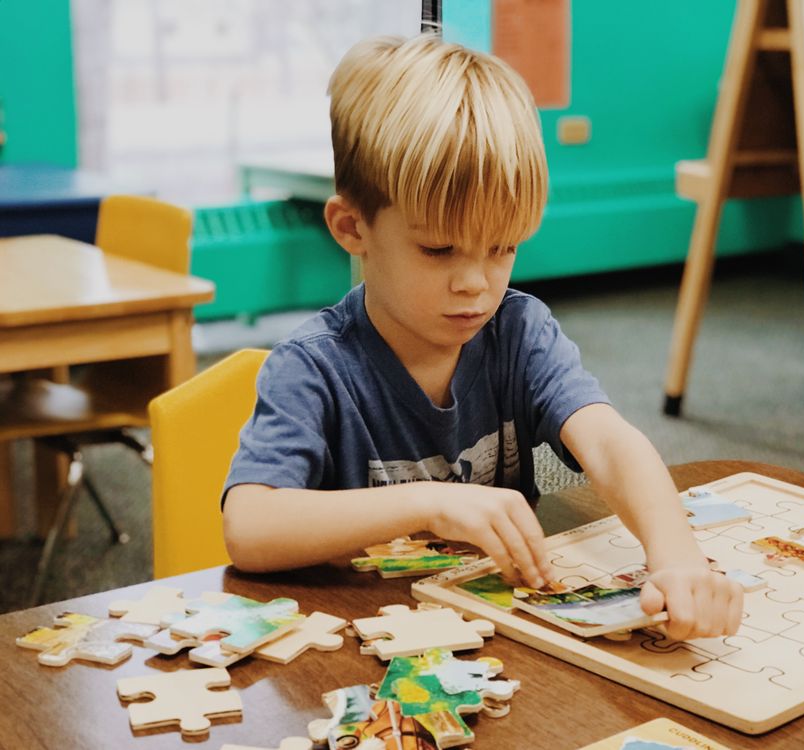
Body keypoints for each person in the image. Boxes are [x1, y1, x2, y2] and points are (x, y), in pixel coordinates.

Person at [222, 34, 743, 641]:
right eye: (439, 249)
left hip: (498, 638)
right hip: (355, 646)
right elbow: (250, 526)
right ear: (352, 226)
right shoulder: (313, 368)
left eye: (503, 247)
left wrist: (678, 559)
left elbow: (608, 443)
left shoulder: (518, 333)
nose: (475, 283)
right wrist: (429, 501)